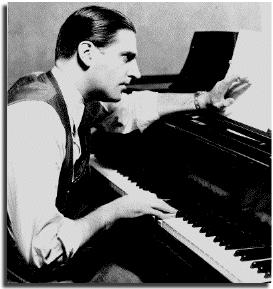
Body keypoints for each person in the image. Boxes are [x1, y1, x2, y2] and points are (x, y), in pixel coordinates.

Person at [7, 5, 250, 283]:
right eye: (127, 57)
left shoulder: (61, 89)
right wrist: (117, 210)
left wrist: (202, 100)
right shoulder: (36, 118)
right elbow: (44, 252)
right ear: (87, 53)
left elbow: (128, 108)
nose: (136, 72)